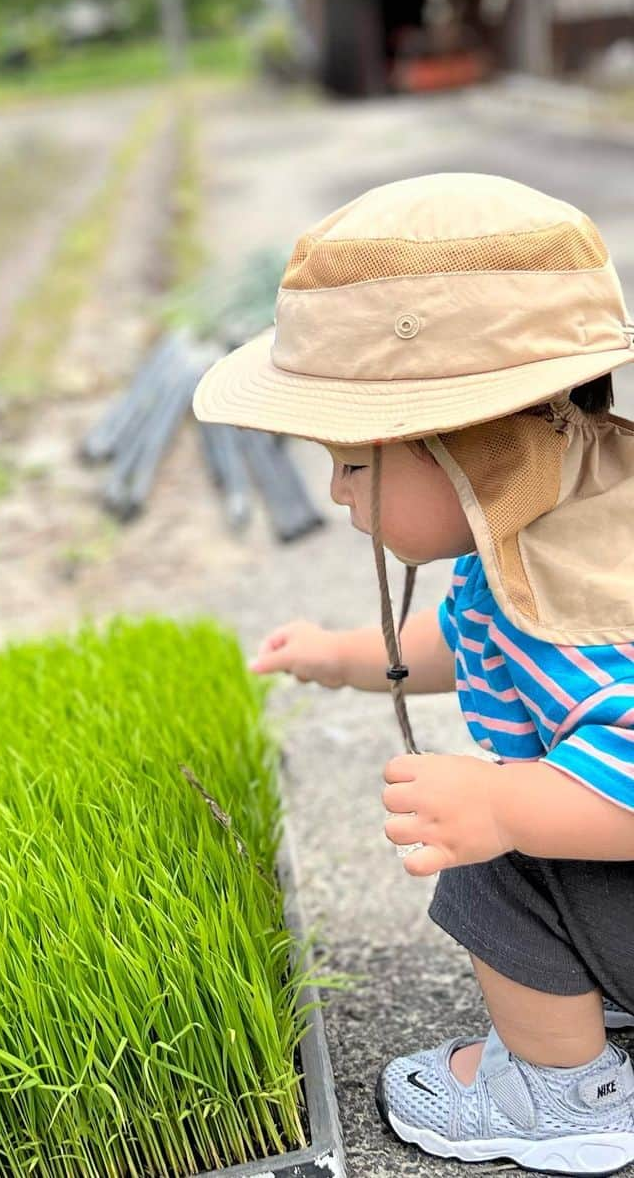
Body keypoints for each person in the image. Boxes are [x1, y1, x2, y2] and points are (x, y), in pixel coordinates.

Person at [193, 173, 634, 1175]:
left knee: (489, 861)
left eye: (355, 466)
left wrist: (509, 809)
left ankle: (569, 1096)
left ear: (465, 450)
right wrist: (353, 657)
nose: (338, 495)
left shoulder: (599, 606)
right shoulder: (552, 507)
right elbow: (477, 632)